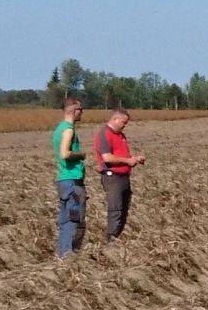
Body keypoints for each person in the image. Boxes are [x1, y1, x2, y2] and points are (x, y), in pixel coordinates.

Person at [93, 108, 145, 240]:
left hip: (123, 177)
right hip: (113, 178)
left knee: (123, 209)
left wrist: (135, 158)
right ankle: (111, 239)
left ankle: (117, 236)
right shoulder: (104, 134)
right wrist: (128, 161)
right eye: (123, 122)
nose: (125, 125)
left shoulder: (120, 135)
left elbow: (121, 155)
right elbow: (107, 157)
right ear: (115, 119)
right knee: (115, 209)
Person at [51, 95, 88, 257]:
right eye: (81, 110)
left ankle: (63, 252)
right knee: (73, 219)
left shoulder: (59, 128)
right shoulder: (68, 130)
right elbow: (65, 153)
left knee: (66, 219)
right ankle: (67, 254)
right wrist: (81, 154)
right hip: (72, 180)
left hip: (64, 180)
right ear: (74, 111)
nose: (82, 113)